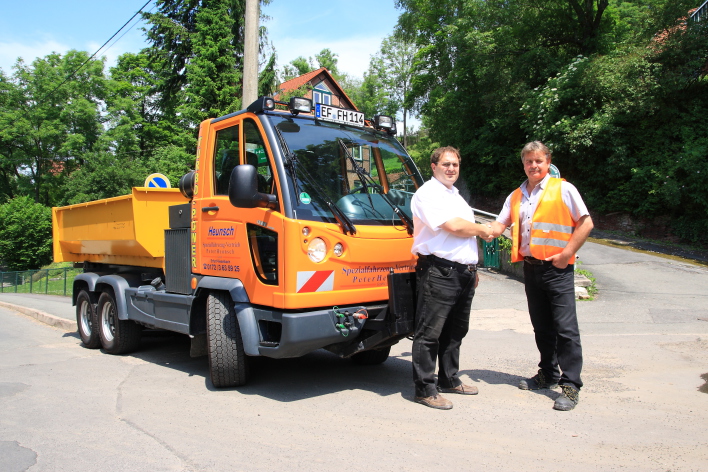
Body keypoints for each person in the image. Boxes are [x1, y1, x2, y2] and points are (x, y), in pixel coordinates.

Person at [489, 141, 594, 411]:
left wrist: (566, 254)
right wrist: (466, 226)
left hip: (557, 268)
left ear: (548, 162)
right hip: (531, 268)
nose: (533, 166)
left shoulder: (564, 189)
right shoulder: (516, 195)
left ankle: (571, 386)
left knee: (566, 330)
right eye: (528, 161)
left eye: (538, 161)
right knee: (542, 327)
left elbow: (586, 222)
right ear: (523, 164)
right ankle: (548, 373)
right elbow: (499, 224)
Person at [410, 146, 494, 410]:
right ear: (433, 166)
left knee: (456, 330)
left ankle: (449, 379)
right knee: (429, 333)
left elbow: (463, 234)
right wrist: (484, 229)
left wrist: (473, 268)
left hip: (462, 273)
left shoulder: (455, 196)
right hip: (439, 271)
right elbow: (455, 227)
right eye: (446, 164)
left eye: (455, 165)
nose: (451, 169)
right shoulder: (427, 194)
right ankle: (425, 389)